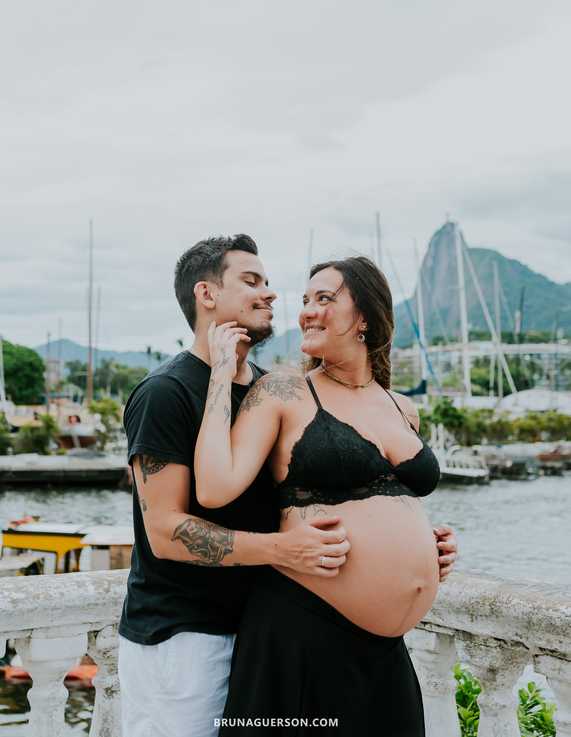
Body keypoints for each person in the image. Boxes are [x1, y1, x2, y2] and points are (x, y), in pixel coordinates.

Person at [119, 236, 456, 737]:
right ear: (206, 294)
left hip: (272, 619)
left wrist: (415, 546)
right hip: (187, 631)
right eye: (252, 282)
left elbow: (338, 494)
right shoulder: (170, 393)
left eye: (321, 298)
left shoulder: (262, 381)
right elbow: (168, 529)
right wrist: (284, 550)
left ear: (365, 317)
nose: (278, 298)